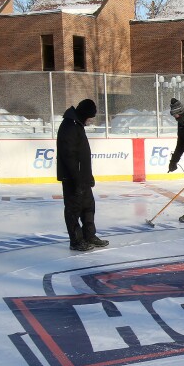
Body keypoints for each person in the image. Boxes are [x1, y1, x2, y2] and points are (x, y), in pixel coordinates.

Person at [56, 98, 109, 251]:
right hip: (73, 178)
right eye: (90, 117)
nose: (90, 120)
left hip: (82, 178)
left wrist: (88, 176)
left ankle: (89, 236)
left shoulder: (77, 124)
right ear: (84, 114)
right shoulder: (69, 126)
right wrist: (77, 179)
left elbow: (81, 155)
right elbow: (69, 156)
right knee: (73, 209)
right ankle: (76, 241)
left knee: (88, 207)